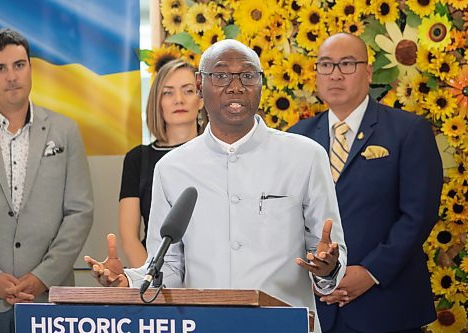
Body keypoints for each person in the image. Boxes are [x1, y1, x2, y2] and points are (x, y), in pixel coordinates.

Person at [85, 39, 347, 333]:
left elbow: (327, 258)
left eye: (247, 76)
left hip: (284, 325)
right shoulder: (173, 168)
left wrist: (328, 269)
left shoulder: (306, 156)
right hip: (204, 326)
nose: (235, 86)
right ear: (200, 85)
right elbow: (168, 267)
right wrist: (130, 281)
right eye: (221, 75)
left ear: (260, 85)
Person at [289, 33, 443, 333]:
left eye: (347, 64)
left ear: (368, 72)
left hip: (387, 305)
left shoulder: (408, 131)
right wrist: (320, 276)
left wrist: (371, 272)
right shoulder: (297, 137)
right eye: (326, 65)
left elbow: (418, 215)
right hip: (316, 307)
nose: (335, 74)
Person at [0, 28, 93, 333]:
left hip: (50, 299)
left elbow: (79, 212)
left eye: (19, 65)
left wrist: (43, 275)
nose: (11, 76)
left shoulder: (65, 131)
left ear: (31, 68)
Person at [119, 59, 204, 267]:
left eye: (188, 91)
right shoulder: (137, 159)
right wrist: (153, 280)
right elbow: (129, 238)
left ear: (201, 99)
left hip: (211, 276)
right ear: (157, 102)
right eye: (168, 92)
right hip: (156, 280)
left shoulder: (219, 153)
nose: (179, 100)